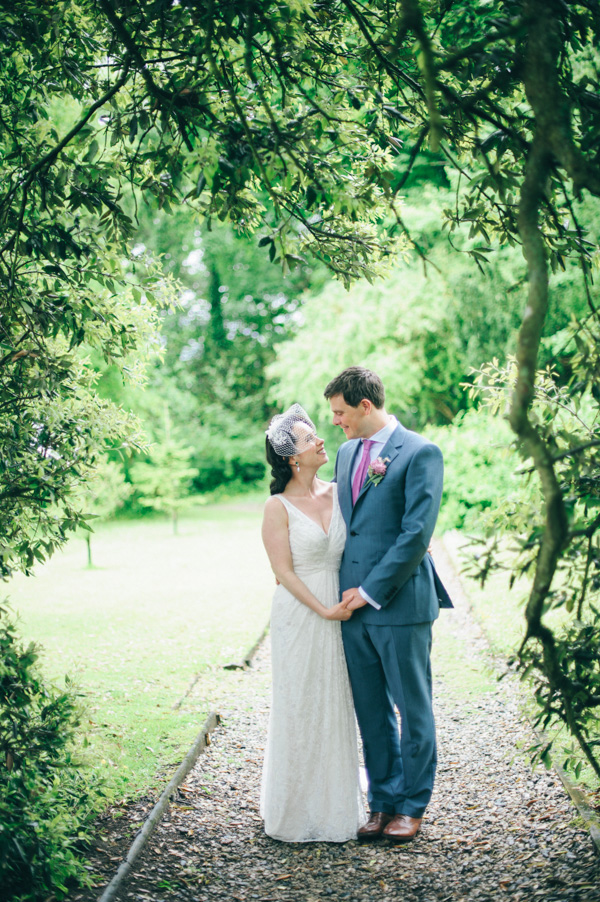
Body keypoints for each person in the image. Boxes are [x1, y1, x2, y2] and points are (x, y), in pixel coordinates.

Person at [324, 366, 453, 844]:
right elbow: (345, 521)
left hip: (398, 604)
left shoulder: (420, 452)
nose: (335, 422)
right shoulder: (343, 452)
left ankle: (413, 806)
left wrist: (371, 591)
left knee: (412, 709)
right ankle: (382, 801)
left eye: (340, 413)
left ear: (364, 406)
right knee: (372, 711)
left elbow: (416, 534)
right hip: (351, 607)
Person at [260, 403, 365, 843]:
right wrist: (322, 610)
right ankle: (295, 810)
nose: (321, 439)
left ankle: (337, 808)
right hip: (301, 614)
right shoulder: (277, 506)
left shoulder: (341, 491)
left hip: (342, 610)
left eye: (317, 433)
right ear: (292, 458)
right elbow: (282, 572)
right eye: (309, 438)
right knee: (300, 705)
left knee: (337, 702)